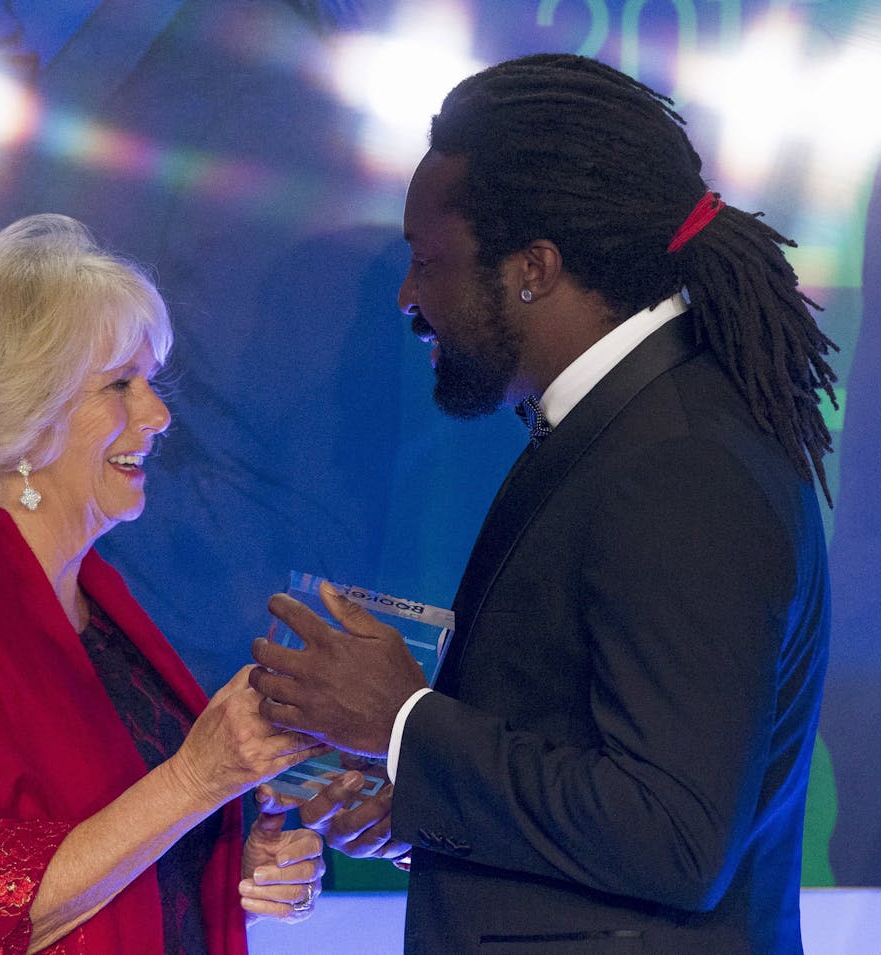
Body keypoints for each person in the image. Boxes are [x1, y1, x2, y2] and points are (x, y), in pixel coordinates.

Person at [250, 54, 835, 953]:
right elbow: (598, 778)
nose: (408, 296)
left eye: (429, 262)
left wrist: (406, 725)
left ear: (535, 267)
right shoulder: (621, 427)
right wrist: (424, 803)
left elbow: (674, 834)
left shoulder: (679, 461)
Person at [0, 214, 327, 954]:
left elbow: (110, 854)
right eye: (120, 385)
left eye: (148, 383)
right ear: (26, 416)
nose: (156, 416)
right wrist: (198, 779)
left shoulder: (97, 601)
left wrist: (230, 870)